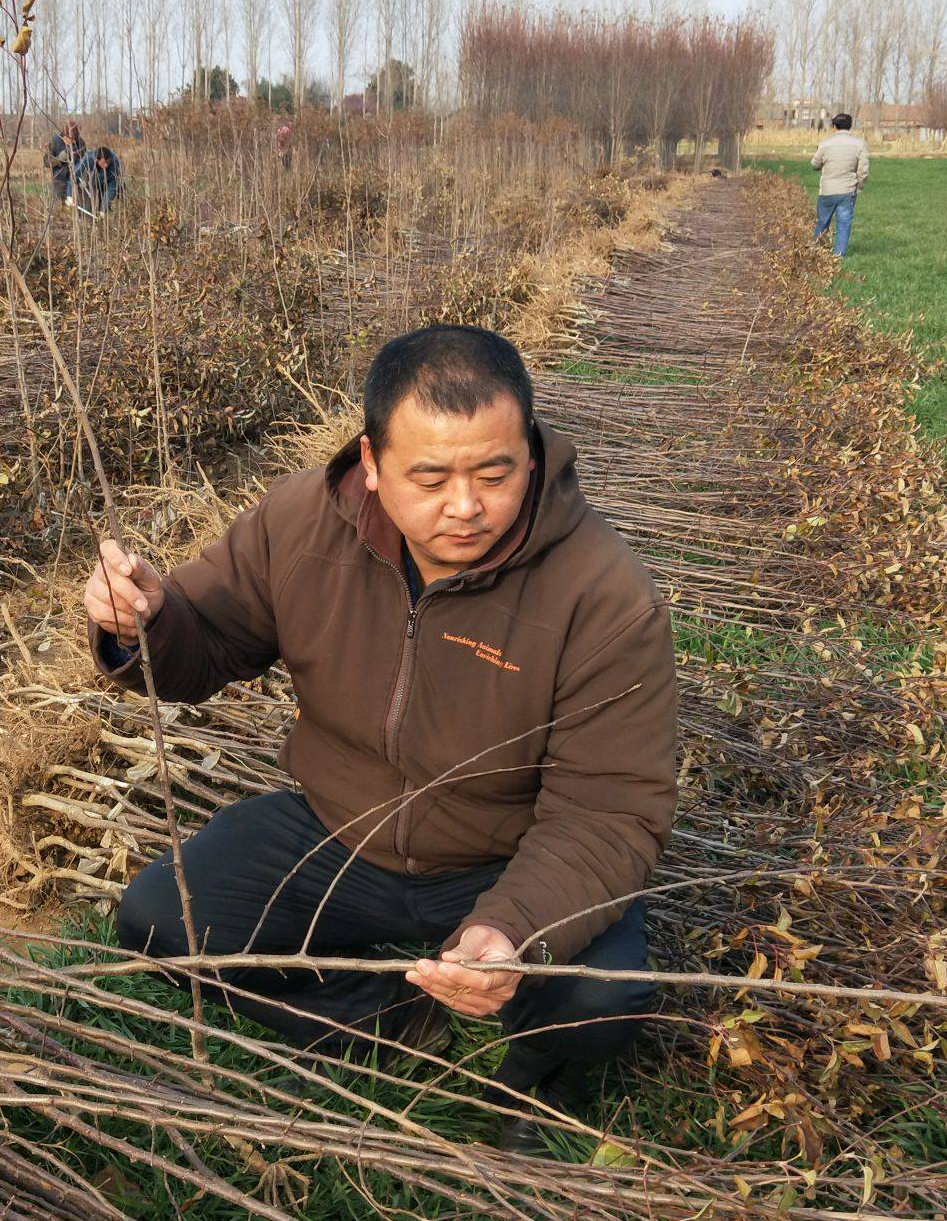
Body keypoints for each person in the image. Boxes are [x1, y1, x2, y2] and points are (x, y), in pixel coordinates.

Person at [84, 325, 679, 1147]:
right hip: (339, 829)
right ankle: (384, 1019)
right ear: (372, 463)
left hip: (503, 855)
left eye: (494, 473)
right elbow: (206, 641)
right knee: (163, 917)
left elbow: (610, 811)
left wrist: (511, 925)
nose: (465, 506)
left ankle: (531, 1085)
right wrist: (144, 624)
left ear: (532, 457)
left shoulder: (605, 595)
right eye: (429, 478)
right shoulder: (299, 523)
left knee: (600, 999)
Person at [810, 111, 869, 258]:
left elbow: (814, 164)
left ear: (834, 126)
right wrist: (859, 186)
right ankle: (838, 256)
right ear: (850, 126)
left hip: (827, 191)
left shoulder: (824, 144)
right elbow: (863, 170)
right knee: (844, 224)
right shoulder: (859, 144)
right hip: (847, 191)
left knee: (822, 223)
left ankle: (817, 252)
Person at [47, 117, 85, 207]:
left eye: (74, 139)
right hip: (59, 179)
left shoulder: (81, 143)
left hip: (75, 179)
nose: (72, 141)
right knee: (59, 206)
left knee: (76, 206)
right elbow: (46, 162)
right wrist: (60, 159)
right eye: (70, 139)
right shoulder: (54, 142)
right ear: (64, 136)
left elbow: (83, 161)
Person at [74, 144, 121, 213]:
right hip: (91, 180)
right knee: (90, 203)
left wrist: (103, 208)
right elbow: (75, 175)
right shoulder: (88, 159)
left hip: (107, 181)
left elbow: (112, 186)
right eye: (103, 163)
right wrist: (70, 194)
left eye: (108, 162)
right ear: (96, 160)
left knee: (106, 203)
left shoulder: (115, 163)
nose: (106, 165)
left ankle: (102, 213)